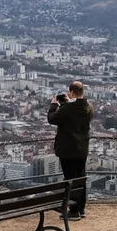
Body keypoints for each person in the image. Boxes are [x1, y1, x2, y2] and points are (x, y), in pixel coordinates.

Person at [47, 81, 93, 220]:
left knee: (70, 180)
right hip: (82, 149)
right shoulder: (89, 107)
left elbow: (52, 119)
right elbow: (74, 113)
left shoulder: (67, 109)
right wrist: (67, 103)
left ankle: (73, 211)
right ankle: (81, 208)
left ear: (71, 92)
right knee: (80, 178)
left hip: (68, 150)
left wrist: (54, 104)